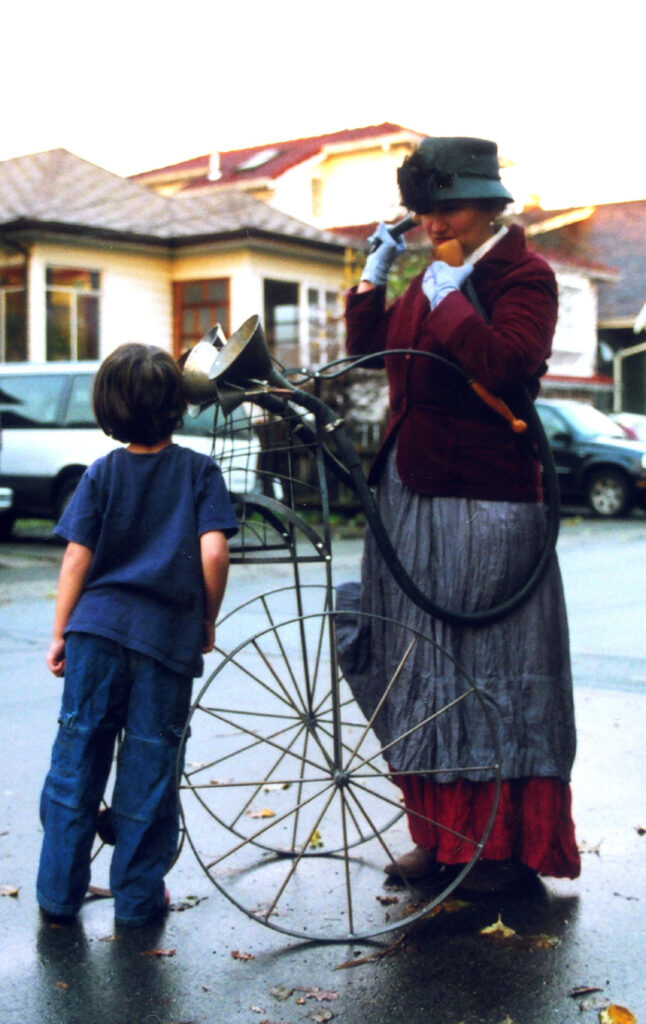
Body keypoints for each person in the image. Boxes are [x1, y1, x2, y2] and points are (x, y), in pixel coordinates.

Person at [341, 137, 580, 892]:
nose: (433, 221)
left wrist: (445, 296)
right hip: (412, 491)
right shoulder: (435, 274)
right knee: (417, 668)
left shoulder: (523, 277)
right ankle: (442, 837)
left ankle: (503, 846)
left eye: (447, 207)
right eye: (424, 211)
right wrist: (374, 281)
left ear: (488, 205)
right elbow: (379, 360)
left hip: (487, 500)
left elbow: (506, 365)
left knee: (488, 669)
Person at [36, 343, 237, 927]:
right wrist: (205, 617)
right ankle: (139, 901)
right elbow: (215, 552)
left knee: (76, 761)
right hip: (166, 641)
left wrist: (61, 633)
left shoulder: (102, 473)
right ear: (178, 405)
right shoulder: (200, 471)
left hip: (95, 635)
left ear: (109, 407)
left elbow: (77, 558)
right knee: (149, 771)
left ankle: (57, 895)